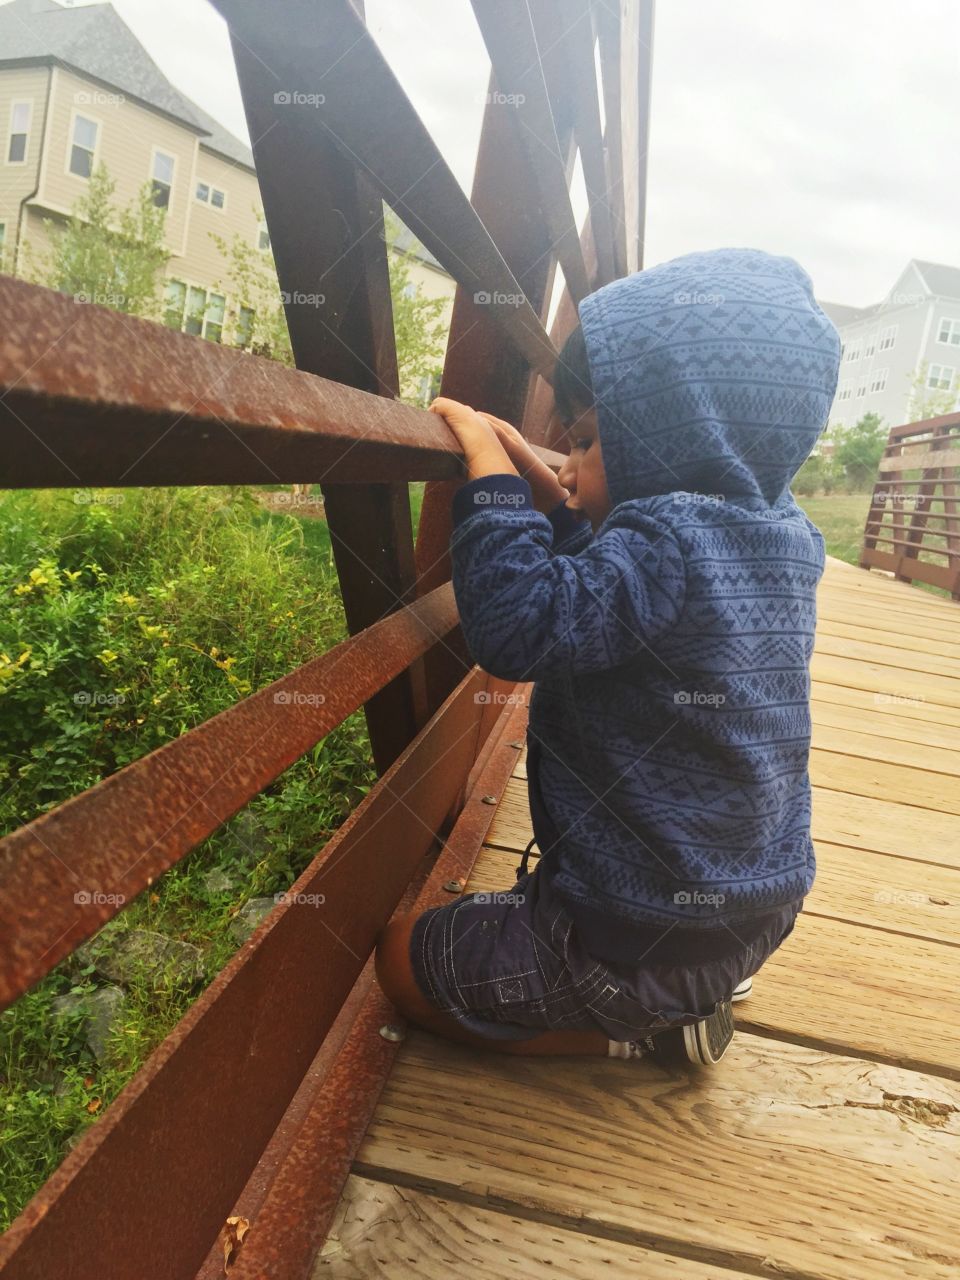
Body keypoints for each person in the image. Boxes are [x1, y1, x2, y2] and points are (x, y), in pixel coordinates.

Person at [375, 247, 841, 1067]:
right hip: (752, 910)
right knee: (455, 953)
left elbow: (522, 628)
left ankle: (631, 1032)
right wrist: (560, 501)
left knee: (402, 962)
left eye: (586, 440)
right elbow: (617, 605)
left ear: (673, 437)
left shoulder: (664, 541)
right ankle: (691, 990)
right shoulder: (784, 535)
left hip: (632, 936)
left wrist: (490, 480)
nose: (568, 459)